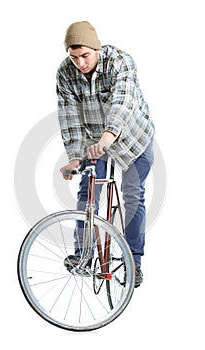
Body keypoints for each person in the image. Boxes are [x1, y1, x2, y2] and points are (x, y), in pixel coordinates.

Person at [56, 21, 155, 288]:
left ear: (96, 48)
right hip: (94, 142)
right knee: (87, 191)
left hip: (132, 137)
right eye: (74, 57)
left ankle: (133, 261)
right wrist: (75, 157)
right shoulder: (65, 73)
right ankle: (83, 256)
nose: (80, 63)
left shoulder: (120, 62)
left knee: (133, 194)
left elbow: (123, 102)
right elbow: (70, 117)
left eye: (85, 55)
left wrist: (109, 136)